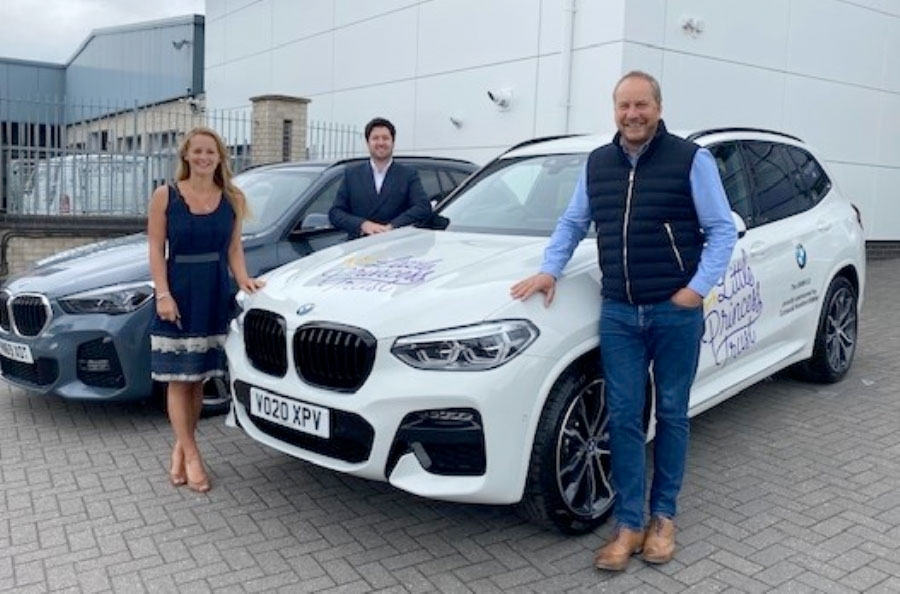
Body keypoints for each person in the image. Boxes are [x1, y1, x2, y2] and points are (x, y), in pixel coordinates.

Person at [511, 71, 736, 570]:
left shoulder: (689, 159)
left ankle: (664, 518)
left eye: (641, 105)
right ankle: (629, 524)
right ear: (614, 111)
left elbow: (722, 230)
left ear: (658, 106)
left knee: (673, 413)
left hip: (674, 312)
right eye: (623, 107)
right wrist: (550, 269)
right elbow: (573, 221)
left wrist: (695, 290)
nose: (632, 115)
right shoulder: (598, 163)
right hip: (617, 312)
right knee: (625, 417)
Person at [148, 127, 264, 493]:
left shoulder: (231, 198)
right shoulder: (165, 196)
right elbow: (154, 249)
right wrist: (163, 294)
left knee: (198, 377)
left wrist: (245, 280)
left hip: (214, 290)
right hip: (179, 291)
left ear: (219, 158)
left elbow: (233, 249)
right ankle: (194, 454)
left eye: (209, 152)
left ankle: (181, 448)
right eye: (196, 151)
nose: (203, 157)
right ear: (186, 155)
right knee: (178, 378)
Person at [328, 117, 431, 238]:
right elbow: (335, 213)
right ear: (368, 142)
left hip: (396, 245)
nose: (381, 143)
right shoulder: (352, 174)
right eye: (375, 138)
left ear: (393, 142)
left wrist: (392, 227)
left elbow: (423, 207)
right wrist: (363, 225)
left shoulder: (408, 174)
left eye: (385, 138)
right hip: (358, 247)